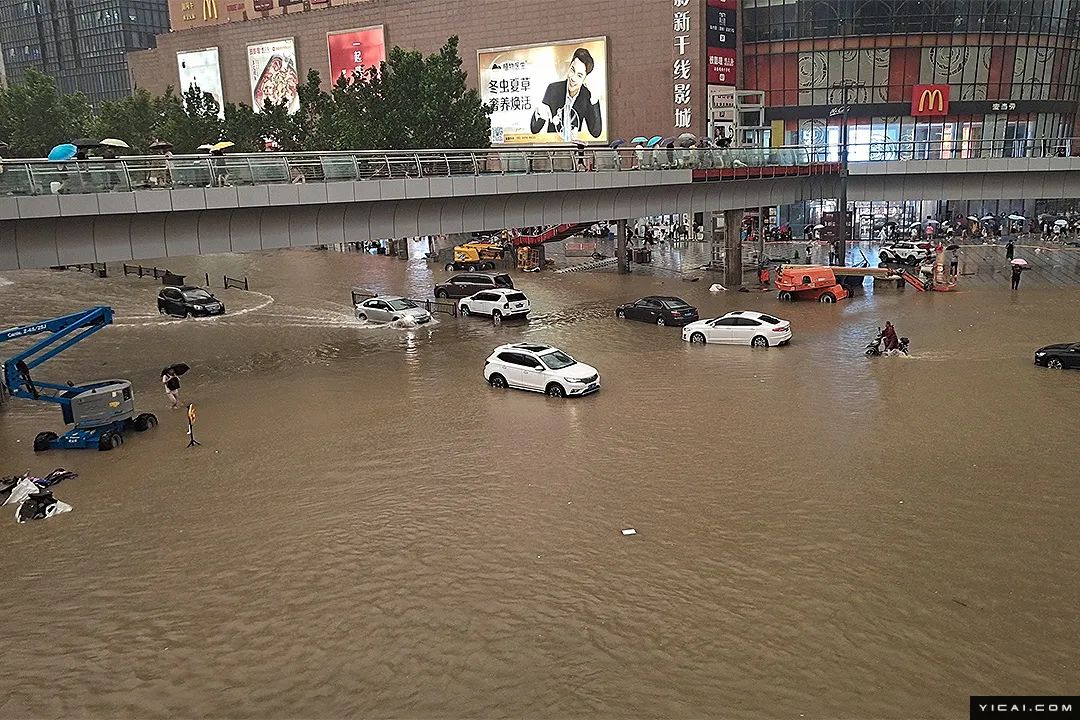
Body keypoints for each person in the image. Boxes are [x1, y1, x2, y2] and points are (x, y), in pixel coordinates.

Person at [529, 47, 603, 142]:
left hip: (575, 152)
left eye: (579, 75)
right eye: (572, 70)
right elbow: (535, 129)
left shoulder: (586, 96)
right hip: (553, 151)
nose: (573, 78)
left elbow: (595, 132)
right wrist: (539, 112)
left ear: (585, 78)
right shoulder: (553, 89)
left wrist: (594, 100)